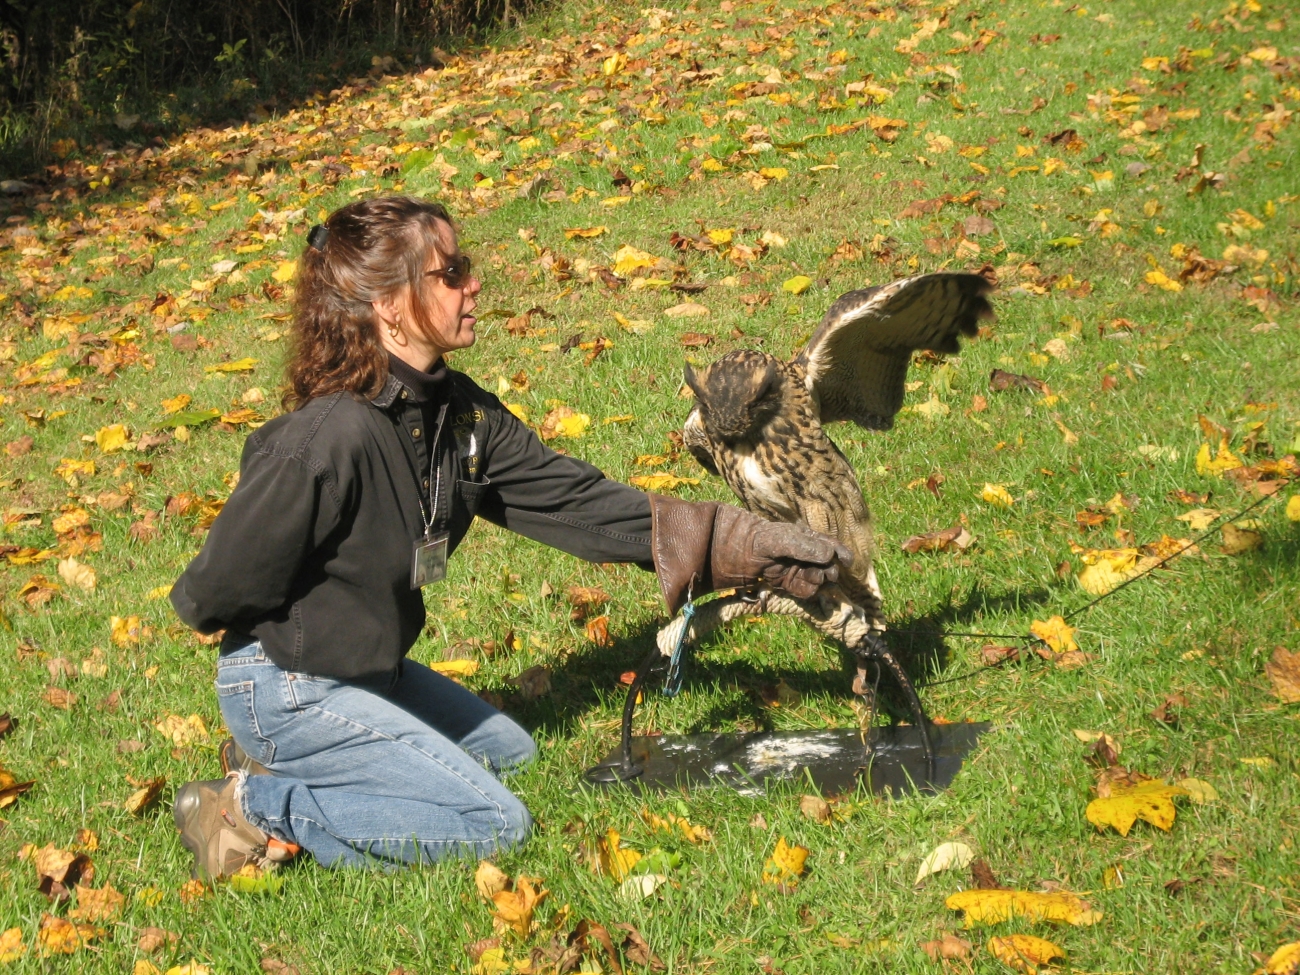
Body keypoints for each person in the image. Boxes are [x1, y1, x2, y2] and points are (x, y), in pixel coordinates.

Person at [168, 196, 849, 879]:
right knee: (494, 822)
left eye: (465, 265)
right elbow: (210, 593)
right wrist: (299, 658)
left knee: (513, 755)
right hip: (289, 682)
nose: (473, 284)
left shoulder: (460, 416)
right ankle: (252, 806)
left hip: (373, 674)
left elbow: (580, 505)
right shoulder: (324, 440)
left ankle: (301, 757)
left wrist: (740, 543)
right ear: (390, 306)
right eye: (450, 272)